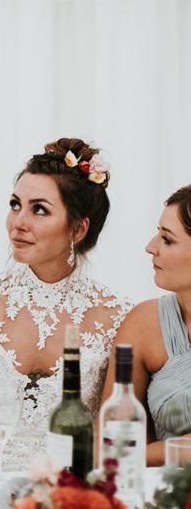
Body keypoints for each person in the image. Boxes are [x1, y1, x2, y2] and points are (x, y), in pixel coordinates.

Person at [0, 138, 132, 472]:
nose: (18, 222)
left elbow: (109, 439)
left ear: (78, 229)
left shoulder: (119, 316)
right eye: (15, 204)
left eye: (39, 209)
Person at [100, 184, 191, 466]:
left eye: (167, 239)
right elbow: (111, 443)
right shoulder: (143, 323)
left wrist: (147, 453)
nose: (150, 247)